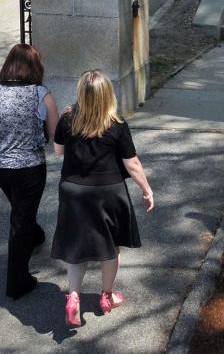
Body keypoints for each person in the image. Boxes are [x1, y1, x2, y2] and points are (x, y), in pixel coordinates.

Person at [52, 70, 154, 327]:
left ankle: (73, 296)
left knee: (77, 248)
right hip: (107, 192)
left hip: (73, 191)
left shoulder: (67, 119)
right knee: (111, 247)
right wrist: (147, 190)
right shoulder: (116, 125)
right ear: (108, 95)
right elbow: (132, 163)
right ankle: (106, 296)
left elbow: (57, 151)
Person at [0, 43, 60, 299]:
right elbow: (57, 136)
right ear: (36, 67)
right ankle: (17, 281)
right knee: (19, 222)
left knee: (22, 211)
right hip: (29, 169)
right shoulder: (41, 95)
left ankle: (36, 235)